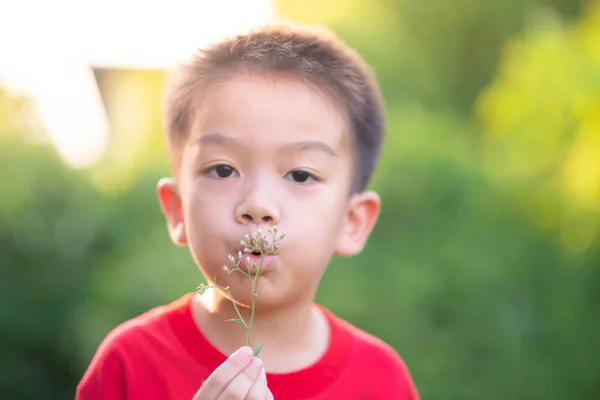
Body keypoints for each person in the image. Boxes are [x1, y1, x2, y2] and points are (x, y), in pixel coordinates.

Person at [76, 20, 421, 400]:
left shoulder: (381, 380)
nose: (258, 205)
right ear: (177, 210)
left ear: (352, 221)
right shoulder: (130, 363)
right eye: (223, 170)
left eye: (301, 175)